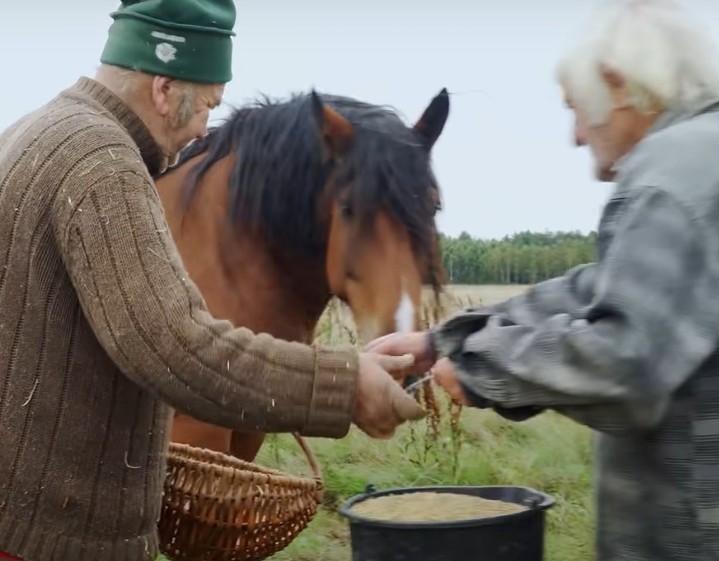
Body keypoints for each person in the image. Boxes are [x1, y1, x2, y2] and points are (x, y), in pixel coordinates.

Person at [367, 1, 719, 559]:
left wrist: (480, 367)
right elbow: (603, 288)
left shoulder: (673, 178)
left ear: (618, 85)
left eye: (576, 108)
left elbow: (627, 360)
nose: (576, 135)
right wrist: (443, 341)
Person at [0, 1, 424, 559]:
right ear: (163, 89)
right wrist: (345, 387)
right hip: (49, 542)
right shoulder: (103, 161)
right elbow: (172, 344)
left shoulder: (32, 131)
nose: (206, 129)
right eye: (206, 104)